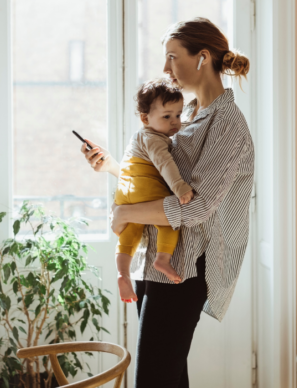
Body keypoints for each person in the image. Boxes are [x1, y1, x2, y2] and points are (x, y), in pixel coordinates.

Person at [80, 17, 253, 388]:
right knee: (169, 379)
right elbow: (161, 185)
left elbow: (195, 208)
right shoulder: (189, 116)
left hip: (185, 270)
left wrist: (125, 212)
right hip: (160, 261)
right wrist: (112, 166)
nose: (165, 68)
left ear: (202, 57)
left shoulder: (227, 125)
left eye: (172, 57)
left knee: (153, 380)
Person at [115, 78, 194, 303]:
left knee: (128, 234)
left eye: (178, 115)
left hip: (125, 193)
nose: (175, 122)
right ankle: (162, 259)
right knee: (169, 218)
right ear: (145, 118)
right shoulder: (154, 138)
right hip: (146, 189)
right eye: (167, 116)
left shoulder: (137, 137)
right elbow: (164, 163)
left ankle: (122, 273)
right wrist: (179, 187)